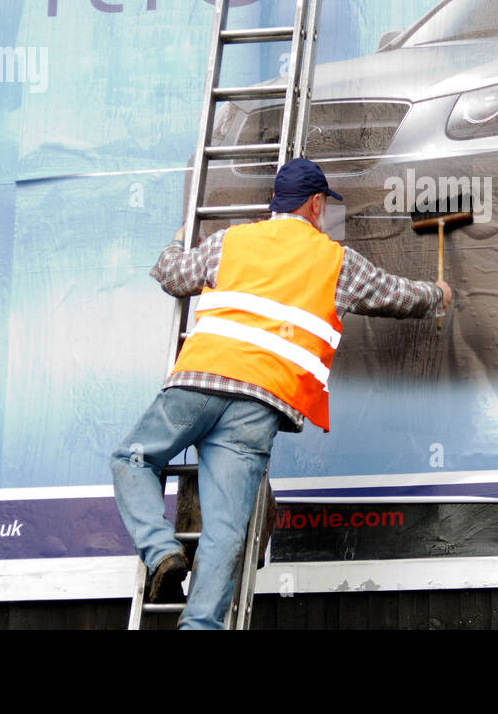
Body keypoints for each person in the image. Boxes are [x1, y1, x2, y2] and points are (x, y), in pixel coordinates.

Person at [111, 157, 453, 629]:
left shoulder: (232, 241)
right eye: (324, 205)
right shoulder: (336, 262)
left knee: (132, 458)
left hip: (198, 385)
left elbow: (173, 276)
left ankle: (161, 551)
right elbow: (396, 295)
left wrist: (174, 242)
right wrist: (438, 293)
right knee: (226, 531)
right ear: (315, 204)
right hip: (260, 405)